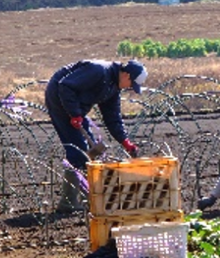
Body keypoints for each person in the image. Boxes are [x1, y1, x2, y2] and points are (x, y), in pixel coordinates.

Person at [45, 59, 147, 210]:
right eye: (131, 85)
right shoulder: (99, 71)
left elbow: (112, 118)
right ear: (126, 75)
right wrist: (74, 114)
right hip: (59, 99)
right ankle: (69, 202)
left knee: (92, 153)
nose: (130, 88)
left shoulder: (113, 88)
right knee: (79, 151)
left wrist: (124, 141)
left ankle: (91, 198)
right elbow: (65, 85)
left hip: (76, 107)